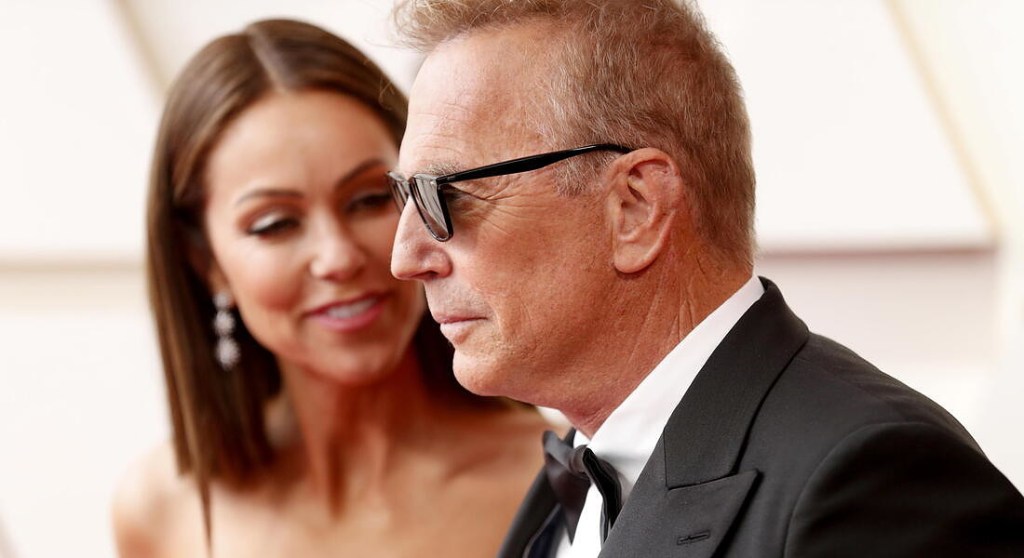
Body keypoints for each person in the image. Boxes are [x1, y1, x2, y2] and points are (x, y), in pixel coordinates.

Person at [386, 1, 1024, 556]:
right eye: (403, 196)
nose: (405, 258)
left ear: (635, 207)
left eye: (447, 195)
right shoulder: (574, 480)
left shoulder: (873, 482)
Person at [111, 18, 550, 557]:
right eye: (275, 224)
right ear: (206, 263)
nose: (339, 258)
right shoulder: (162, 511)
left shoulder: (555, 480)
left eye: (369, 200)